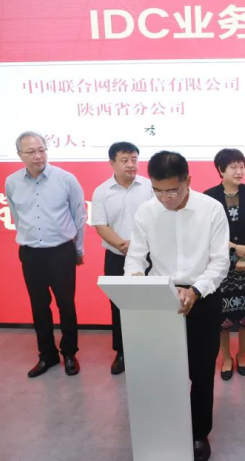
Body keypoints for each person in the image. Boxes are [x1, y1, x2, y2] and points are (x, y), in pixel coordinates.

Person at [124, 151, 229, 461]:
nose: (165, 198)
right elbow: (135, 257)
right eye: (157, 190)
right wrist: (136, 280)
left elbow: (220, 261)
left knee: (201, 370)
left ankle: (198, 433)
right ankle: (166, 427)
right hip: (160, 298)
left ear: (188, 181)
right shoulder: (146, 212)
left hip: (203, 297)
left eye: (172, 190)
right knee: (162, 369)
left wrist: (195, 290)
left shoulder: (211, 209)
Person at [5, 131, 86, 378]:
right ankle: (47, 355)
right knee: (39, 306)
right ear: (19, 155)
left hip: (61, 252)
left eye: (41, 150)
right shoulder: (12, 182)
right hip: (31, 254)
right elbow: (16, 216)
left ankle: (69, 353)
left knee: (66, 304)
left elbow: (79, 216)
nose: (38, 156)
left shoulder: (66, 179)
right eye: (31, 152)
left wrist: (78, 250)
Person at [204, 149, 245, 381]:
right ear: (221, 170)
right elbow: (209, 231)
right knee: (221, 312)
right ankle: (226, 357)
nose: (239, 171)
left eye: (242, 166)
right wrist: (234, 248)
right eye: (233, 167)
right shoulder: (209, 196)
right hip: (220, 261)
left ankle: (241, 354)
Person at [91, 142, 153, 375]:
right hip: (117, 257)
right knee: (119, 306)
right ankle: (122, 352)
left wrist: (139, 247)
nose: (130, 165)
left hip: (149, 257)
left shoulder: (149, 187)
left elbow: (159, 218)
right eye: (124, 160)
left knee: (150, 304)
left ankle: (149, 349)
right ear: (112, 163)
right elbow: (100, 225)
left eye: (134, 159)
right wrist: (123, 245)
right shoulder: (101, 192)